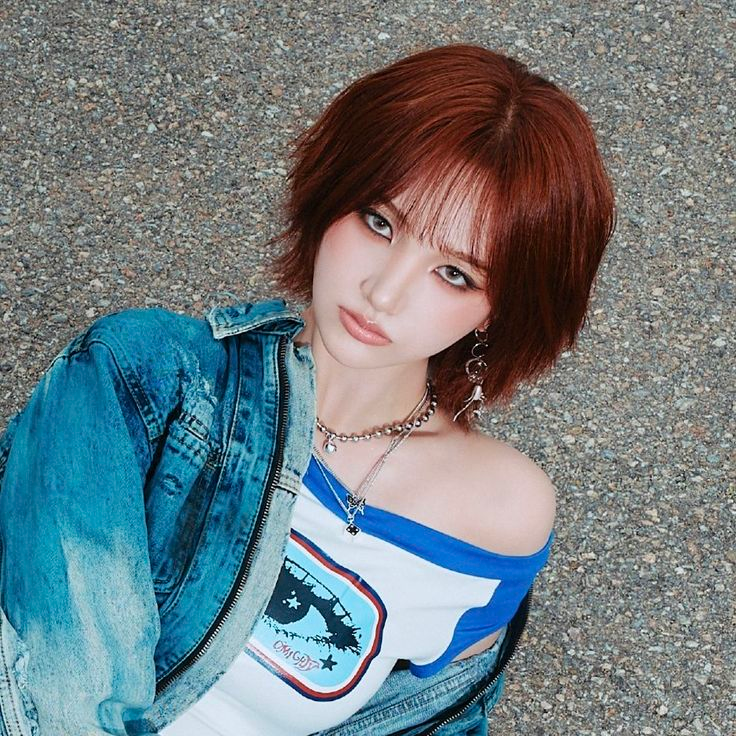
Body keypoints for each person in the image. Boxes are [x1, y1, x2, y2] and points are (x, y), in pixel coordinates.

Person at [0, 44, 614, 735]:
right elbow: (57, 691)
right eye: (379, 223)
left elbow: (430, 722)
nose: (384, 291)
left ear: (498, 311)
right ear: (331, 194)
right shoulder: (145, 379)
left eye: (454, 274)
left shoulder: (499, 514)